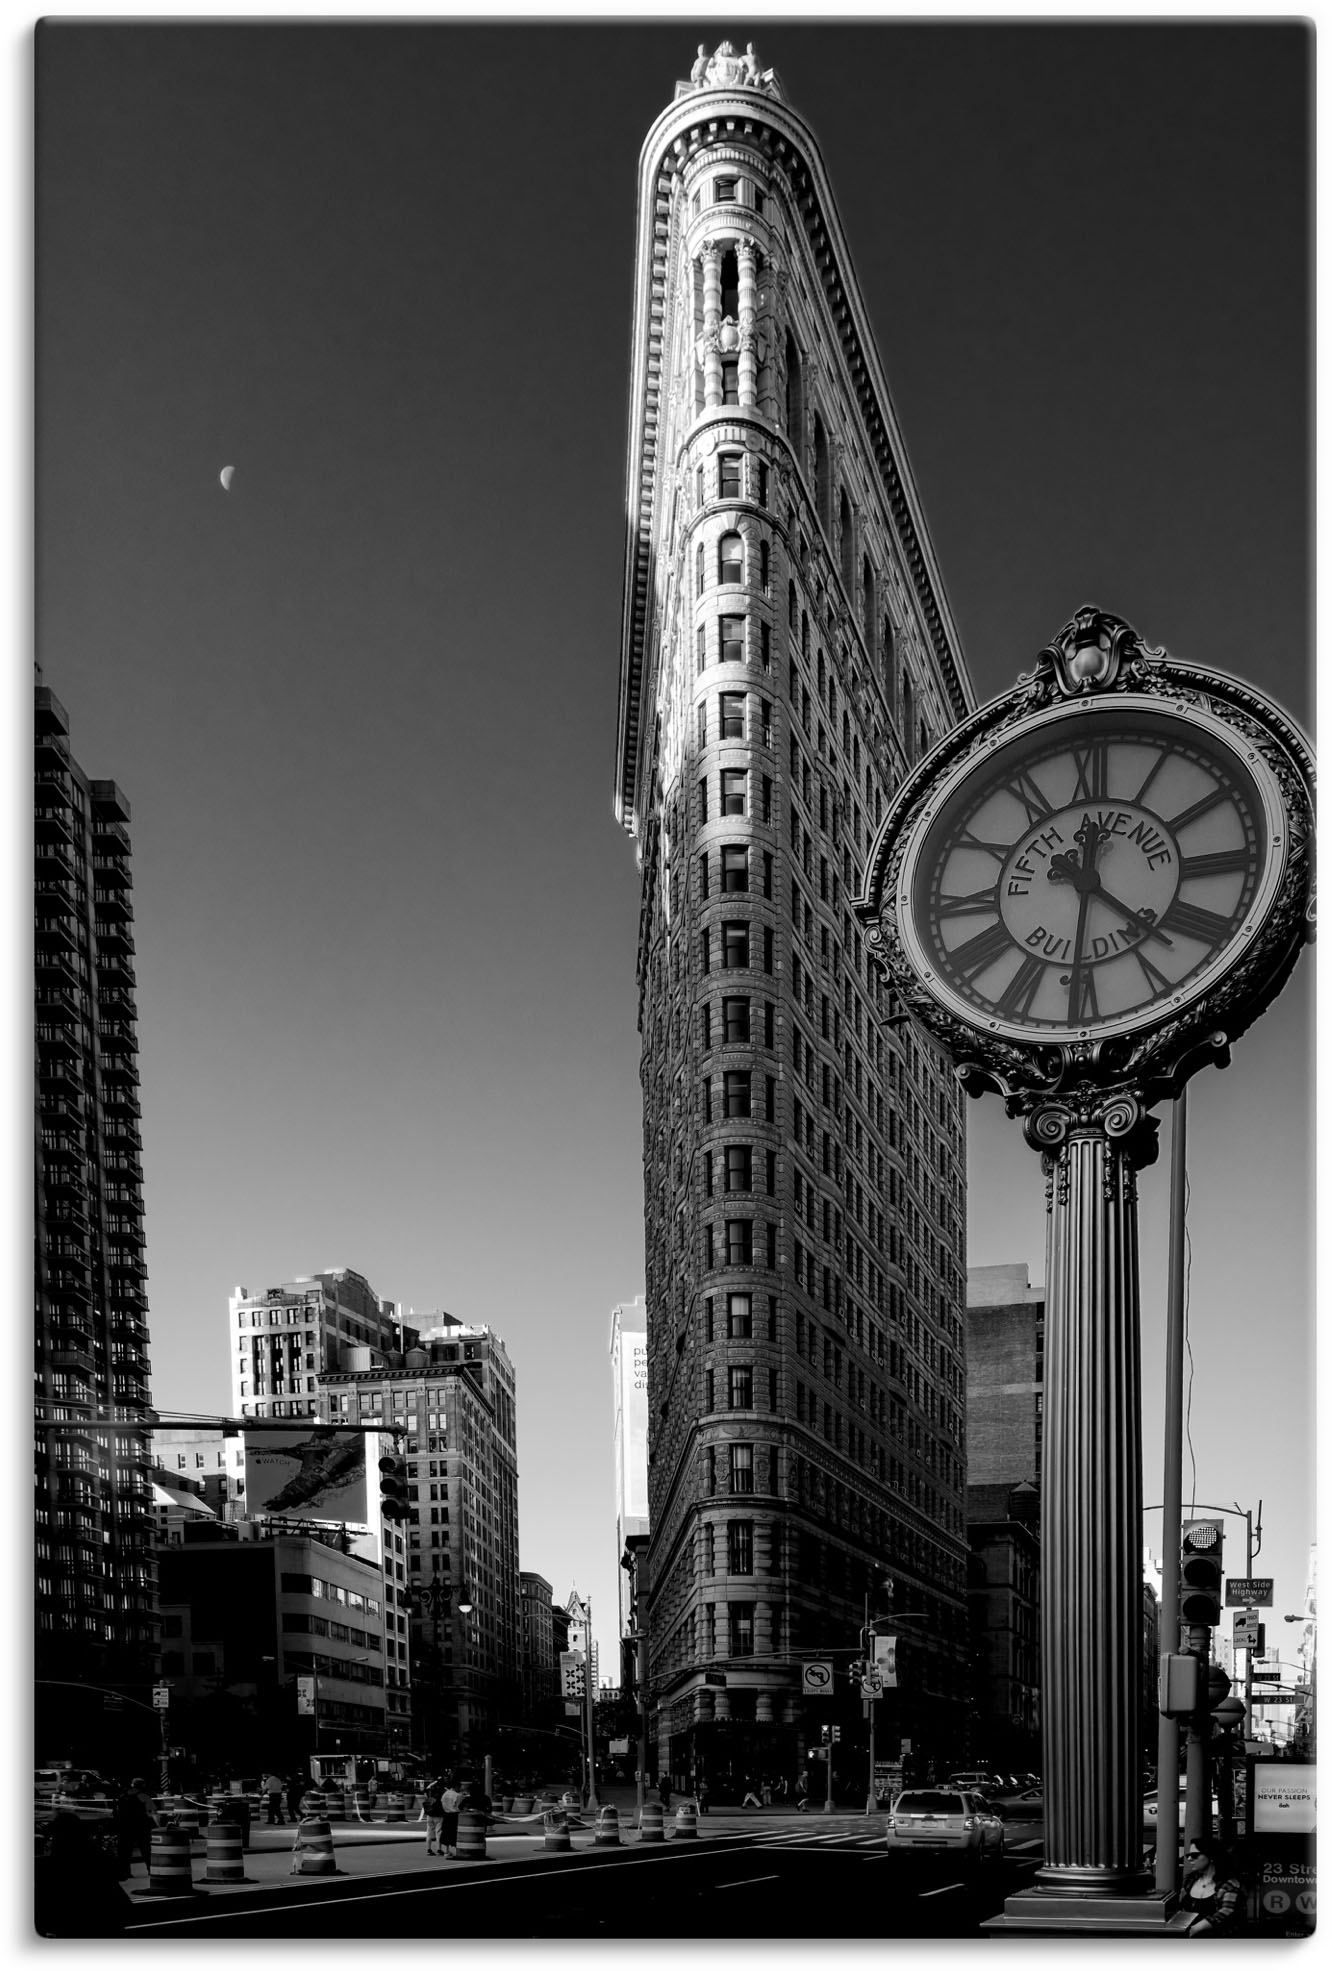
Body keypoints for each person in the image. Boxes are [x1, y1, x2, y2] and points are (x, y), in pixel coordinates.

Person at [1182, 1836, 1246, 1936]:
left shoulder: (1229, 1885)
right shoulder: (1189, 1881)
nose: (1189, 1859)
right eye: (1188, 1855)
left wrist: (1199, 1926)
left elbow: (1227, 1911)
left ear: (1210, 1856)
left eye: (1194, 1855)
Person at [111, 1777, 154, 1878]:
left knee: (124, 1851)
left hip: (124, 1827)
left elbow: (116, 1812)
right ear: (143, 1786)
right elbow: (152, 1812)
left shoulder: (122, 1796)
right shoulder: (144, 1796)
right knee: (146, 1849)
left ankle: (124, 1872)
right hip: (140, 1826)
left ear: (132, 1785)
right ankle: (151, 1870)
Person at [423, 1774, 446, 1855]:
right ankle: (439, 1849)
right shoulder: (444, 1792)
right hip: (439, 1814)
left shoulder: (430, 1791)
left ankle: (428, 1849)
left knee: (429, 1832)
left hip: (430, 1813)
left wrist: (434, 1782)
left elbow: (426, 1788)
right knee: (439, 1832)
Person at [441, 1778, 463, 1858]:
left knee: (446, 1833)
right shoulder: (458, 1795)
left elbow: (442, 1803)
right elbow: (459, 1806)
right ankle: (458, 1851)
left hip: (446, 1815)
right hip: (455, 1815)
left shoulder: (445, 1794)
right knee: (456, 1833)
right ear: (456, 1786)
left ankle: (446, 1851)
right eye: (459, 1787)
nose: (460, 1789)